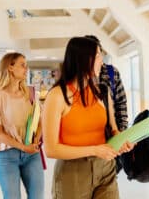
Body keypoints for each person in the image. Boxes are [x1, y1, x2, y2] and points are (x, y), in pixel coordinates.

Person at [42, 37, 134, 199]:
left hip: (106, 167)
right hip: (73, 171)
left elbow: (113, 129)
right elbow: (51, 149)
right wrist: (94, 150)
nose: (101, 60)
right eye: (97, 55)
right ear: (83, 59)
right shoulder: (57, 96)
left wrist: (122, 140)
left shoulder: (102, 91)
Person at [0, 52, 44, 199]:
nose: (26, 68)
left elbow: (40, 119)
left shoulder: (31, 93)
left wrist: (37, 138)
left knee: (37, 196)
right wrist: (23, 147)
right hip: (6, 155)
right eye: (22, 65)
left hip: (31, 154)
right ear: (10, 67)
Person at [84, 35, 128, 131]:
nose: (100, 60)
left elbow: (121, 103)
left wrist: (122, 130)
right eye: (97, 56)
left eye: (100, 54)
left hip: (111, 130)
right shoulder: (80, 79)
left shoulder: (112, 72)